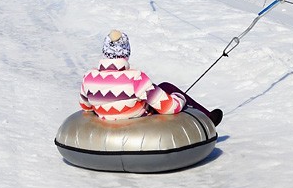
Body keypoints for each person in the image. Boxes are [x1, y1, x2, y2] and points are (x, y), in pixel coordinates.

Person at [80, 30, 223, 126]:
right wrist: (180, 98)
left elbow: (85, 106)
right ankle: (208, 119)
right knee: (166, 87)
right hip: (140, 124)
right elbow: (170, 108)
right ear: (126, 52)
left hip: (107, 123)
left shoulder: (88, 77)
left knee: (154, 91)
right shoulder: (135, 78)